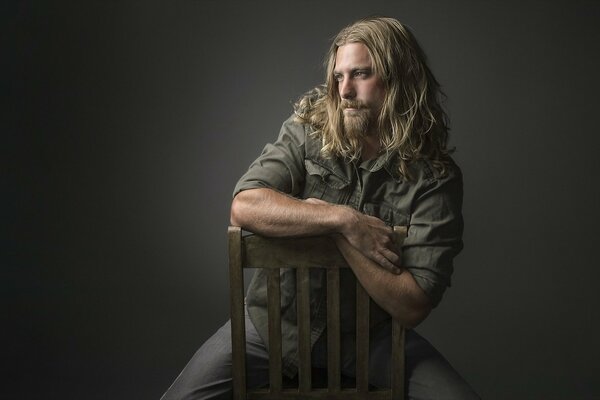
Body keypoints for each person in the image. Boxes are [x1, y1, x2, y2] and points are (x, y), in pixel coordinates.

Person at [162, 16, 479, 399]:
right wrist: (341, 219)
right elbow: (244, 206)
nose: (344, 91)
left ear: (399, 79)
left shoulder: (434, 178)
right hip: (271, 327)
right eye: (338, 77)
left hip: (369, 339)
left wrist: (344, 238)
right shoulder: (309, 128)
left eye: (360, 74)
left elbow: (412, 306)